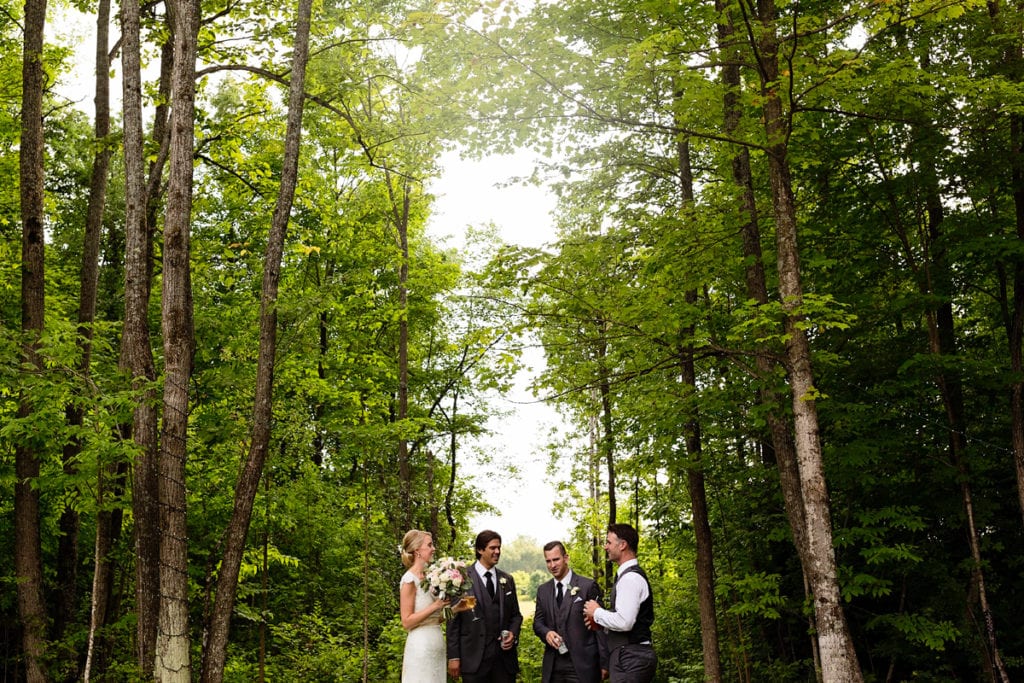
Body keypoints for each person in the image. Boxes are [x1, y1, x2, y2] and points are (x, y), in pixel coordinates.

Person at [583, 524, 657, 683]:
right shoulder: (628, 577)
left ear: (622, 545)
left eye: (609, 542)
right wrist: (602, 624)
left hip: (631, 657)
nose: (605, 547)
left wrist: (596, 612)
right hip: (628, 655)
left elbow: (625, 622)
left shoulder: (630, 579)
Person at [447, 530, 523, 682]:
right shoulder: (460, 578)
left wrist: (513, 634)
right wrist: (453, 656)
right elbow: (453, 620)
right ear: (480, 550)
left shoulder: (507, 579)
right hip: (473, 659)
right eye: (493, 548)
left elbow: (516, 615)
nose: (497, 552)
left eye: (499, 548)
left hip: (503, 661)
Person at [533, 541, 607, 683]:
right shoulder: (543, 590)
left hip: (583, 665)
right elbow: (538, 622)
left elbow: (600, 627)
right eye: (548, 561)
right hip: (553, 665)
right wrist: (546, 633)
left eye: (556, 559)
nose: (552, 565)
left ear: (566, 558)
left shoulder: (587, 586)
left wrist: (604, 663)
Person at [399, 529, 451, 683]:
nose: (433, 548)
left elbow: (435, 619)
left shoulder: (430, 577)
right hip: (420, 646)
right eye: (429, 545)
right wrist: (435, 606)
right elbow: (406, 621)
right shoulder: (409, 580)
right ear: (417, 551)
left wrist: (455, 609)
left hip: (437, 643)